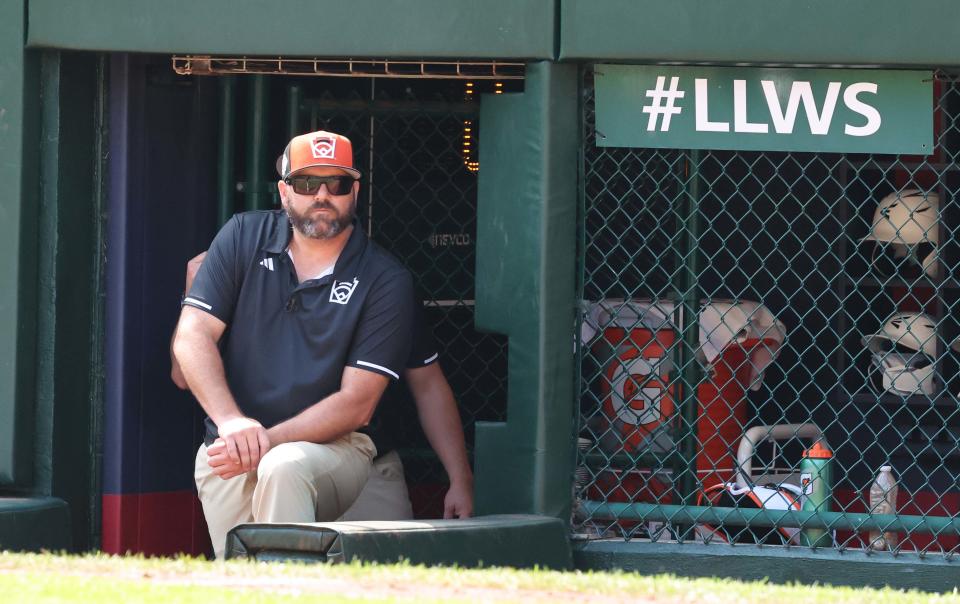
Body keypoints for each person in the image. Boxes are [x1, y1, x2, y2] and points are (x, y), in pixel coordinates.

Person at [172, 130, 420, 558]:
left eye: (336, 184)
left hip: (334, 447)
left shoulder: (385, 277)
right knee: (239, 582)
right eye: (307, 184)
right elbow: (191, 336)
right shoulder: (241, 235)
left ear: (354, 192)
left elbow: (357, 404)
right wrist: (232, 424)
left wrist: (263, 441)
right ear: (284, 191)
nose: (322, 195)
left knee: (283, 467)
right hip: (230, 447)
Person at [172, 252, 474, 524]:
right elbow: (182, 375)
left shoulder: (378, 280)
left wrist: (460, 478)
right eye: (302, 186)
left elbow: (427, 383)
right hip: (250, 461)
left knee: (383, 578)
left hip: (360, 459)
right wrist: (194, 294)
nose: (317, 195)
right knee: (258, 578)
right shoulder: (240, 264)